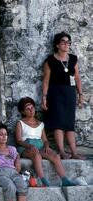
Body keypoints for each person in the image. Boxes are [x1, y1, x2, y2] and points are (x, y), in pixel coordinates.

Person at [42, 32, 85, 160]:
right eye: (63, 42)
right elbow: (46, 80)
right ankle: (61, 151)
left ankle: (74, 152)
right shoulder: (50, 60)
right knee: (58, 122)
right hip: (55, 93)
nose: (67, 44)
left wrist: (80, 94)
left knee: (69, 122)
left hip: (70, 93)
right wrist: (44, 97)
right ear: (57, 44)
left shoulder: (73, 59)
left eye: (68, 42)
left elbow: (77, 78)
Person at [15, 97, 76, 187]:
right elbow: (19, 140)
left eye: (32, 108)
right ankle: (43, 180)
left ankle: (64, 180)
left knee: (55, 156)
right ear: (23, 112)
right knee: (36, 155)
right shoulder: (20, 123)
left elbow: (45, 140)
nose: (31, 110)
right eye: (27, 109)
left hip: (40, 146)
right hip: (26, 147)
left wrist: (47, 146)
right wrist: (29, 146)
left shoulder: (40, 124)